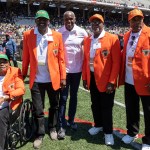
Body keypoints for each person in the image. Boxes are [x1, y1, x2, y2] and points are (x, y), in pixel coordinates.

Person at [22, 10, 66, 149]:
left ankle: (52, 128)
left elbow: (61, 59)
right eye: (39, 19)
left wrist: (63, 77)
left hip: (53, 78)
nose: (42, 21)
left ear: (48, 21)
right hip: (36, 79)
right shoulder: (28, 35)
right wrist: (23, 75)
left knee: (54, 105)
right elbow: (26, 57)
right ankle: (39, 134)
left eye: (44, 19)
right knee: (38, 109)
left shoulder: (57, 35)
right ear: (35, 21)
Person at [82, 14, 121, 145]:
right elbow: (85, 61)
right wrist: (85, 78)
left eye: (98, 22)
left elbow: (116, 63)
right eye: (93, 23)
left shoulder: (112, 38)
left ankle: (108, 132)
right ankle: (98, 124)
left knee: (106, 106)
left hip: (106, 80)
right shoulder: (88, 40)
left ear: (103, 23)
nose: (95, 25)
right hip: (92, 77)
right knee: (95, 104)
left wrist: (111, 81)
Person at [119, 9, 150, 150]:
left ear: (143, 19)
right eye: (133, 19)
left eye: (139, 19)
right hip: (129, 79)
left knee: (148, 112)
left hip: (145, 81)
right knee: (131, 108)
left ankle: (148, 140)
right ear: (129, 21)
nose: (136, 22)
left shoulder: (149, 34)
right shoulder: (126, 35)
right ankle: (132, 132)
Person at [57, 11, 88, 139]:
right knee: (63, 98)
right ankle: (61, 125)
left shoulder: (82, 32)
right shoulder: (59, 32)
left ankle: (71, 120)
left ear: (75, 19)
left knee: (74, 96)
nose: (69, 21)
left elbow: (87, 49)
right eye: (66, 19)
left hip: (77, 71)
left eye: (71, 18)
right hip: (64, 71)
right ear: (63, 20)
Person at [0, 54, 25, 150]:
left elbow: (21, 90)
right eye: (0, 62)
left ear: (9, 63)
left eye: (4, 61)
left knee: (1, 117)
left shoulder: (15, 71)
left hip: (11, 105)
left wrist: (5, 98)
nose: (2, 64)